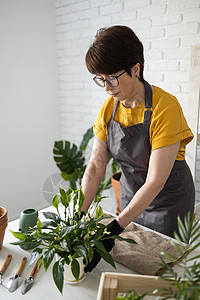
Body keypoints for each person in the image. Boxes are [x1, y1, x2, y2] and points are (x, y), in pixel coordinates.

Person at [81, 25, 195, 273]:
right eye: (101, 80)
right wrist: (79, 213)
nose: (107, 88)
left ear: (135, 69)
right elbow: (96, 165)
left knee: (166, 274)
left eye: (112, 78)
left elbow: (156, 181)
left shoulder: (165, 107)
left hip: (168, 205)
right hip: (132, 199)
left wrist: (116, 226)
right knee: (130, 267)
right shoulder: (108, 109)